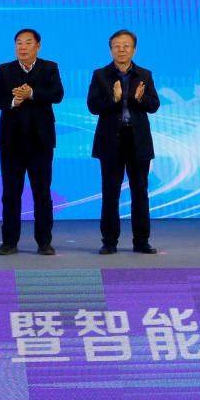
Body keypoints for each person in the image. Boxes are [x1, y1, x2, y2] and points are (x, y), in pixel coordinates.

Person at [0, 28, 64, 256]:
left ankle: (44, 242)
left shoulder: (49, 68)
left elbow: (57, 94)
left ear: (38, 46)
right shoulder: (4, 69)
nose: (23, 47)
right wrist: (13, 101)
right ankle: (9, 242)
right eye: (19, 43)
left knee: (42, 193)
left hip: (41, 142)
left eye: (28, 43)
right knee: (11, 194)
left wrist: (32, 94)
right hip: (11, 142)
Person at [86, 29, 160, 255]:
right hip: (111, 141)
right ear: (111, 50)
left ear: (134, 50)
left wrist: (140, 98)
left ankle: (141, 241)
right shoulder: (100, 75)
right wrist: (114, 98)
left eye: (126, 45)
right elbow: (93, 106)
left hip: (138, 141)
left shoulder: (144, 74)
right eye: (117, 46)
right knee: (110, 193)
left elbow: (154, 105)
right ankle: (109, 241)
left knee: (140, 192)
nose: (121, 49)